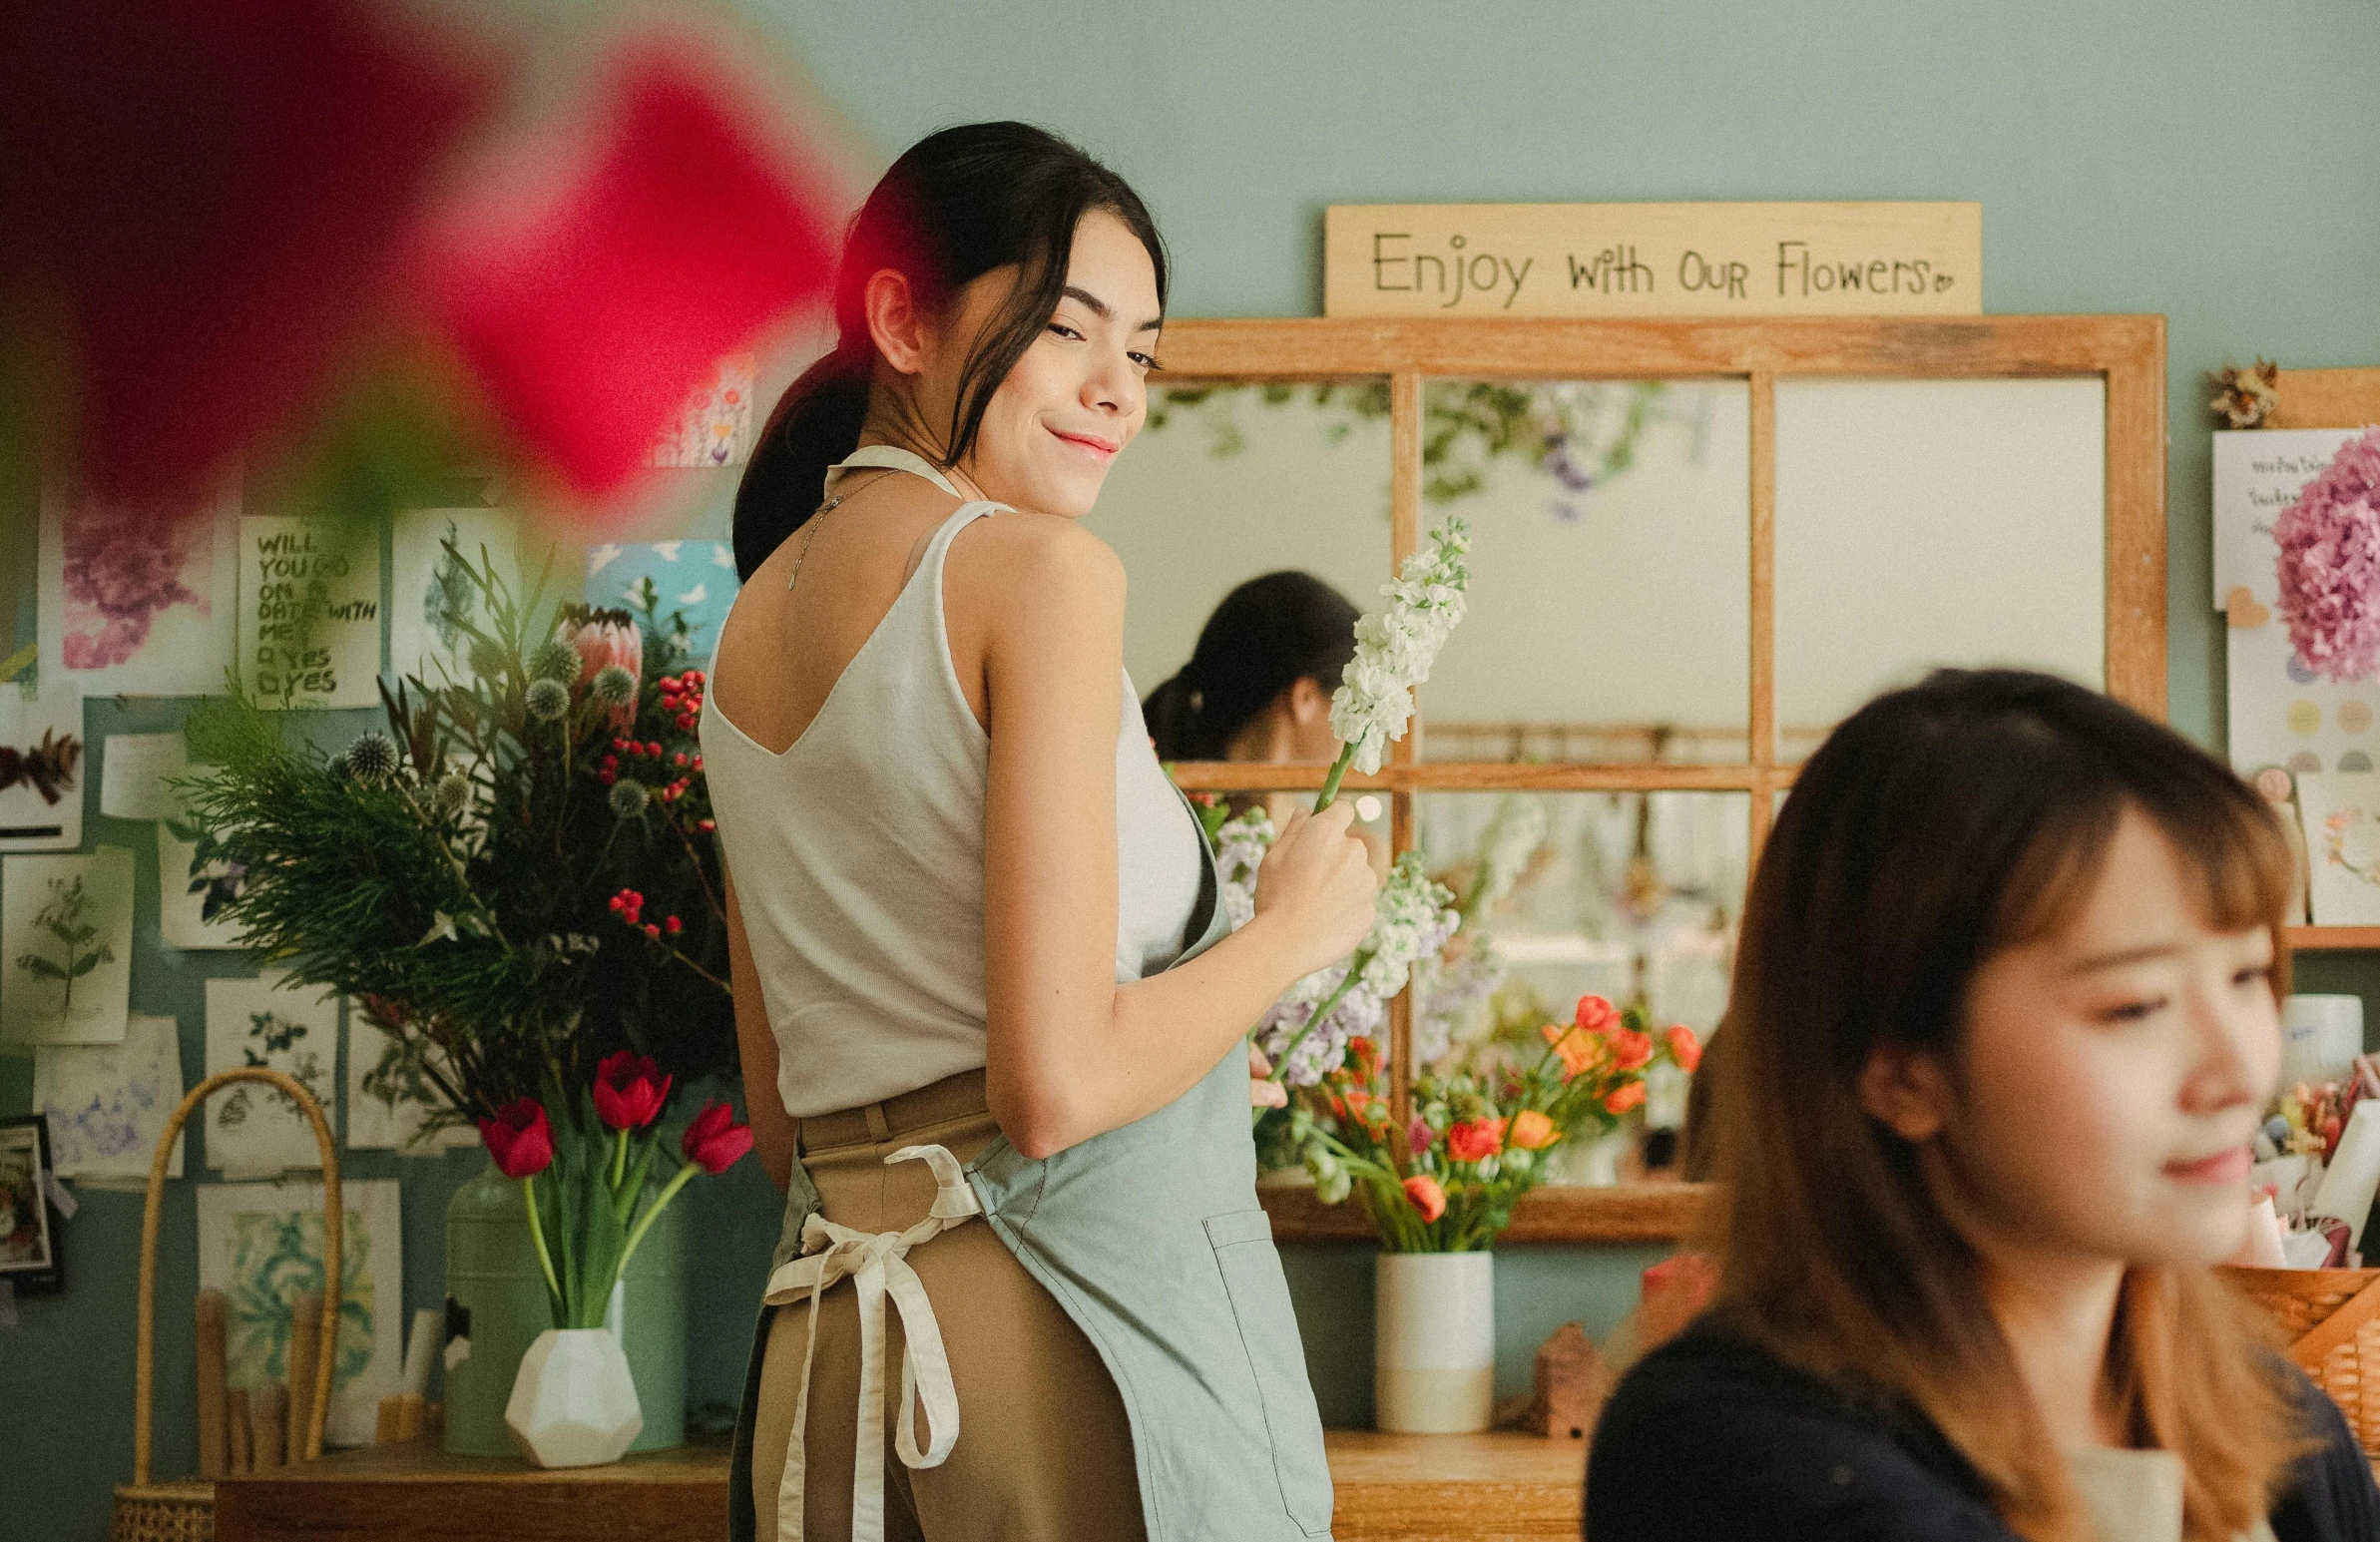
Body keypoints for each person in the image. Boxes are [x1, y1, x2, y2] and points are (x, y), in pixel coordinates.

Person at [703, 122, 1377, 1542]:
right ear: (899, 317)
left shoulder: (745, 640)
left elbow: (782, 1122)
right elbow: (1052, 1088)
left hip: (832, 1375)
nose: (1113, 392)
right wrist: (1292, 934)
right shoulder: (1038, 577)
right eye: (1068, 330)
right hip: (1074, 1348)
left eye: (1141, 353)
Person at [1587, 669, 2380, 1542]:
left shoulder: (2283, 1427)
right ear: (1898, 1071)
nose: (2238, 1069)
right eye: (2136, 1004)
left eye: (2244, 976)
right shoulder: (1724, 1457)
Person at [1145, 571, 1389, 875]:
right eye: (1358, 705)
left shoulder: (1353, 855)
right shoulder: (1169, 834)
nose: (1364, 730)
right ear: (1305, 699)